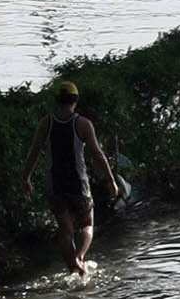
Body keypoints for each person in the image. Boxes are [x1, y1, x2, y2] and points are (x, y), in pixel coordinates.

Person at [20, 80, 127, 277]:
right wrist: (110, 180)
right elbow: (97, 154)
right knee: (87, 224)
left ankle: (73, 269)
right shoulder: (83, 124)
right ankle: (79, 258)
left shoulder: (47, 123)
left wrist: (26, 178)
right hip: (78, 184)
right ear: (75, 101)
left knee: (65, 229)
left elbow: (34, 152)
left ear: (56, 100)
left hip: (56, 184)